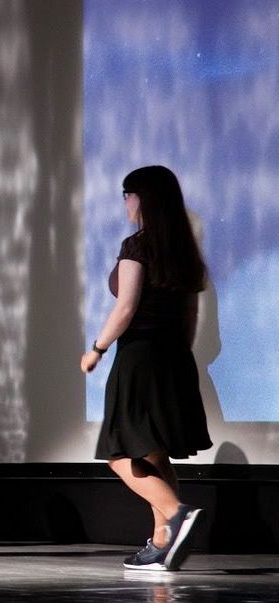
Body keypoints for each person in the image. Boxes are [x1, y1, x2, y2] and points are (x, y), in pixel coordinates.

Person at [80, 165, 212, 571]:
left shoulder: (137, 246)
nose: (125, 201)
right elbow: (190, 319)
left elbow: (126, 307)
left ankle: (176, 513)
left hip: (139, 358)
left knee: (118, 452)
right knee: (153, 455)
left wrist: (97, 348)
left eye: (128, 193)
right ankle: (162, 542)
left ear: (143, 198)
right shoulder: (186, 253)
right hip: (174, 358)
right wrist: (176, 359)